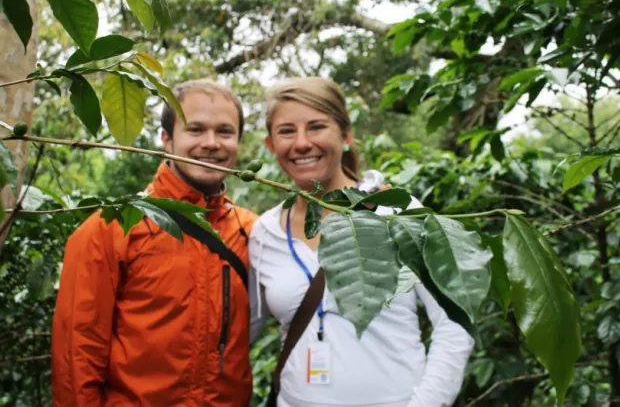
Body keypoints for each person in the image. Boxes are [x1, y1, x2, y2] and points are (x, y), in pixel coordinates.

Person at [248, 77, 475, 407]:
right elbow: (243, 333)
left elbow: (454, 322)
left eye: (316, 127)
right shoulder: (265, 232)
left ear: (345, 135)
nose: (301, 143)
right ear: (270, 145)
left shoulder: (395, 210)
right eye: (286, 131)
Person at [51, 79, 258, 407]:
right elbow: (76, 356)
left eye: (225, 132)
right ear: (166, 139)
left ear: (238, 143)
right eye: (195, 130)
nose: (211, 143)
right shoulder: (112, 228)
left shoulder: (251, 232)